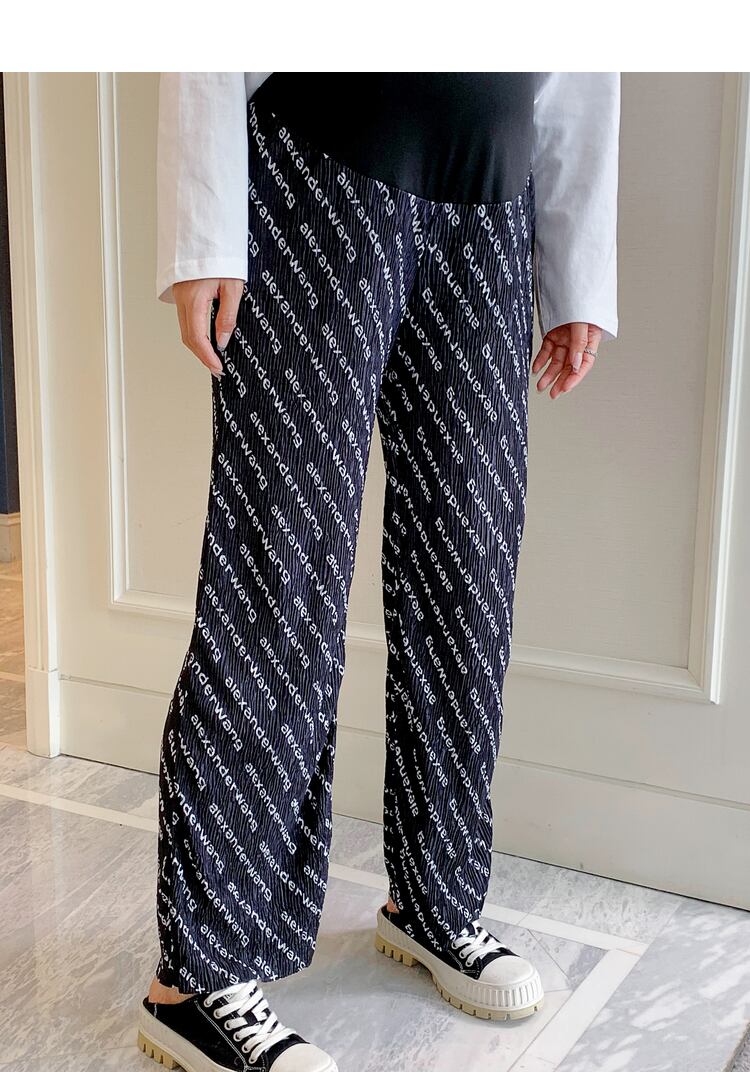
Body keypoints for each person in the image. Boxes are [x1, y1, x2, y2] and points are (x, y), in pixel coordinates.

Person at [137, 72, 620, 1072]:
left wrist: (578, 273)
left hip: (493, 209)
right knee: (279, 573)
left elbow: (587, 54)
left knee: (470, 573)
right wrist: (206, 233)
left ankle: (433, 901)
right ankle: (197, 976)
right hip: (319, 169)